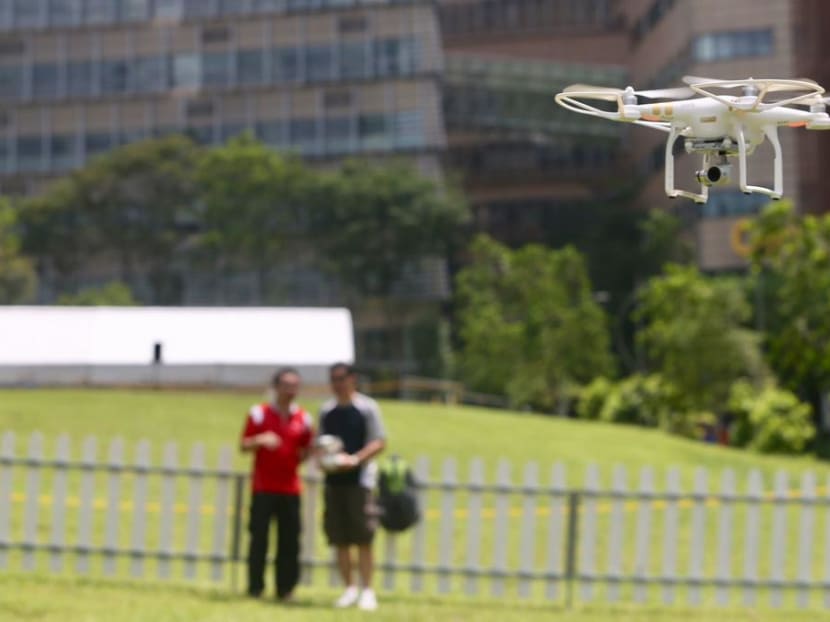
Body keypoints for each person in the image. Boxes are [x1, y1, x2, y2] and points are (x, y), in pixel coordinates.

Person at [317, 363, 387, 611]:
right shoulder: (326, 411)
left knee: (363, 537)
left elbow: (379, 441)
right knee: (340, 538)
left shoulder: (367, 408)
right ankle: (349, 588)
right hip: (334, 482)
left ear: (352, 379)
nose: (337, 384)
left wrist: (356, 460)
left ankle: (367, 590)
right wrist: (327, 461)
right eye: (333, 379)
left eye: (341, 378)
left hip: (360, 482)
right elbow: (321, 444)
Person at [239, 367, 313, 602]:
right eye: (286, 385)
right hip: (263, 487)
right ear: (276, 387)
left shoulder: (303, 418)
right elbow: (243, 445)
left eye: (295, 386)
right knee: (259, 539)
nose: (291, 391)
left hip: (290, 488)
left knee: (289, 541)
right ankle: (255, 588)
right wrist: (260, 440)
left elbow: (307, 449)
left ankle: (286, 590)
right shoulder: (259, 414)